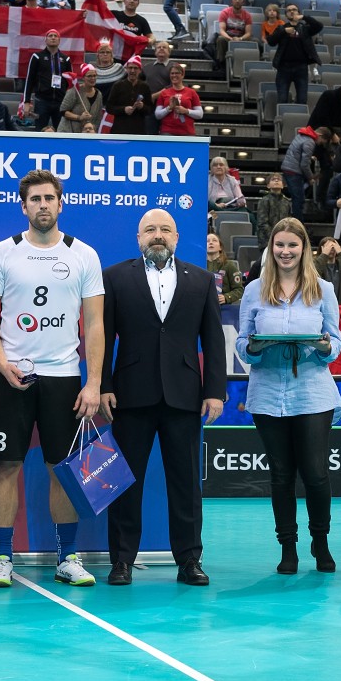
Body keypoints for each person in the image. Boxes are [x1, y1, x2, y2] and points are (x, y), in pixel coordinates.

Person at [0, 169, 105, 588]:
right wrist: (1, 361)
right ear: (23, 205)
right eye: (35, 199)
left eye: (50, 198)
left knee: (62, 469)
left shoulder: (83, 254)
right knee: (6, 467)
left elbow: (95, 323)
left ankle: (67, 557)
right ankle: (1, 559)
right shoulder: (2, 253)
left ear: (60, 203)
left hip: (64, 379)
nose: (43, 205)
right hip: (13, 376)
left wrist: (93, 382)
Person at [100, 209, 225, 586]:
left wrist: (215, 392)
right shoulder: (115, 278)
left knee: (186, 483)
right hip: (129, 395)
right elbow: (102, 338)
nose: (158, 235)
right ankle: (121, 560)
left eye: (165, 229)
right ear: (138, 238)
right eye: (150, 229)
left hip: (184, 396)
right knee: (125, 483)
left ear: (177, 236)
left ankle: (189, 560)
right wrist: (103, 385)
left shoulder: (201, 280)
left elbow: (214, 341)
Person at [237, 218, 341, 574]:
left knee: (314, 472)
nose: (285, 252)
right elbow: (242, 342)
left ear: (304, 249)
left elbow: (336, 342)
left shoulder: (323, 289)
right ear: (271, 248)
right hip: (268, 393)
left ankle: (321, 541)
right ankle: (288, 547)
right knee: (281, 474)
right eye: (279, 245)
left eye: (292, 246)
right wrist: (253, 348)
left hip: (313, 392)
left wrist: (324, 347)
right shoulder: (253, 290)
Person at [268, 3, 321, 106]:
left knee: (302, 100)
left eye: (294, 10)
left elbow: (319, 26)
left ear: (298, 12)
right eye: (289, 10)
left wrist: (305, 17)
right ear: (286, 15)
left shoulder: (305, 29)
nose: (292, 11)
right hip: (284, 68)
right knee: (282, 100)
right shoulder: (281, 28)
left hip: (301, 68)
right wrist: (284, 31)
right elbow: (271, 41)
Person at [22, 29, 73, 131]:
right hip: (42, 101)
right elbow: (29, 80)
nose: (53, 38)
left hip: (60, 102)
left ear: (59, 40)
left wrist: (68, 101)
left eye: (55, 36)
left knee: (61, 132)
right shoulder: (37, 57)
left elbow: (70, 83)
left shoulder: (66, 59)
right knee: (40, 132)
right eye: (50, 36)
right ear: (45, 40)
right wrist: (26, 102)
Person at [280, 125, 330, 221]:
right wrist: (310, 177)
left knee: (297, 198)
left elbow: (296, 152)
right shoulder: (310, 142)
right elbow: (304, 165)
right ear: (319, 135)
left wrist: (310, 158)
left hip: (288, 167)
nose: (320, 144)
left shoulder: (301, 135)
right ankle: (298, 224)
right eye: (322, 141)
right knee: (298, 200)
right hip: (294, 171)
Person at [105, 55, 152, 135]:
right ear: (126, 69)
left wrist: (142, 107)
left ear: (140, 70)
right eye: (130, 68)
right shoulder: (118, 85)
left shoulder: (145, 87)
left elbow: (150, 109)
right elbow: (109, 107)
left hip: (138, 130)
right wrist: (123, 109)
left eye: (135, 68)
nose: (132, 71)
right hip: (119, 129)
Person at [155, 63, 202, 136]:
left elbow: (200, 114)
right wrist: (168, 108)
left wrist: (186, 111)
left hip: (187, 132)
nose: (174, 75)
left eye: (177, 73)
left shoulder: (191, 92)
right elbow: (157, 115)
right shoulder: (164, 93)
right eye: (172, 73)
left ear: (182, 75)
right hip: (167, 131)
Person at [57, 63, 103, 134]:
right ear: (83, 77)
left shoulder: (99, 94)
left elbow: (98, 116)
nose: (92, 78)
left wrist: (93, 130)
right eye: (89, 76)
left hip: (87, 134)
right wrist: (79, 117)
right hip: (68, 132)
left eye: (94, 76)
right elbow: (63, 111)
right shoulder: (74, 91)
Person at [214, 0, 252, 73]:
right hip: (228, 36)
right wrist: (230, 39)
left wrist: (240, 39)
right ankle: (222, 65)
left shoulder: (247, 15)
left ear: (243, 1)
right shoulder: (225, 12)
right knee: (220, 39)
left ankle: (249, 67)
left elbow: (248, 33)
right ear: (232, 1)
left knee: (256, 41)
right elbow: (222, 30)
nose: (237, 1)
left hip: (241, 37)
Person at [206, 232, 244, 306]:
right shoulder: (198, 265)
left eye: (214, 240)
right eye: (207, 241)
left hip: (223, 307)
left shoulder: (229, 265)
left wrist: (226, 297)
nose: (211, 243)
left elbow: (239, 290)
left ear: (220, 247)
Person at [256, 173, 290, 253]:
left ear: (283, 185)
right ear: (268, 185)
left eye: (279, 179)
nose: (276, 180)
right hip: (266, 240)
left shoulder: (286, 202)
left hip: (283, 239)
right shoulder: (264, 200)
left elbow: (288, 220)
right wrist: (274, 236)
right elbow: (262, 223)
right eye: (273, 179)